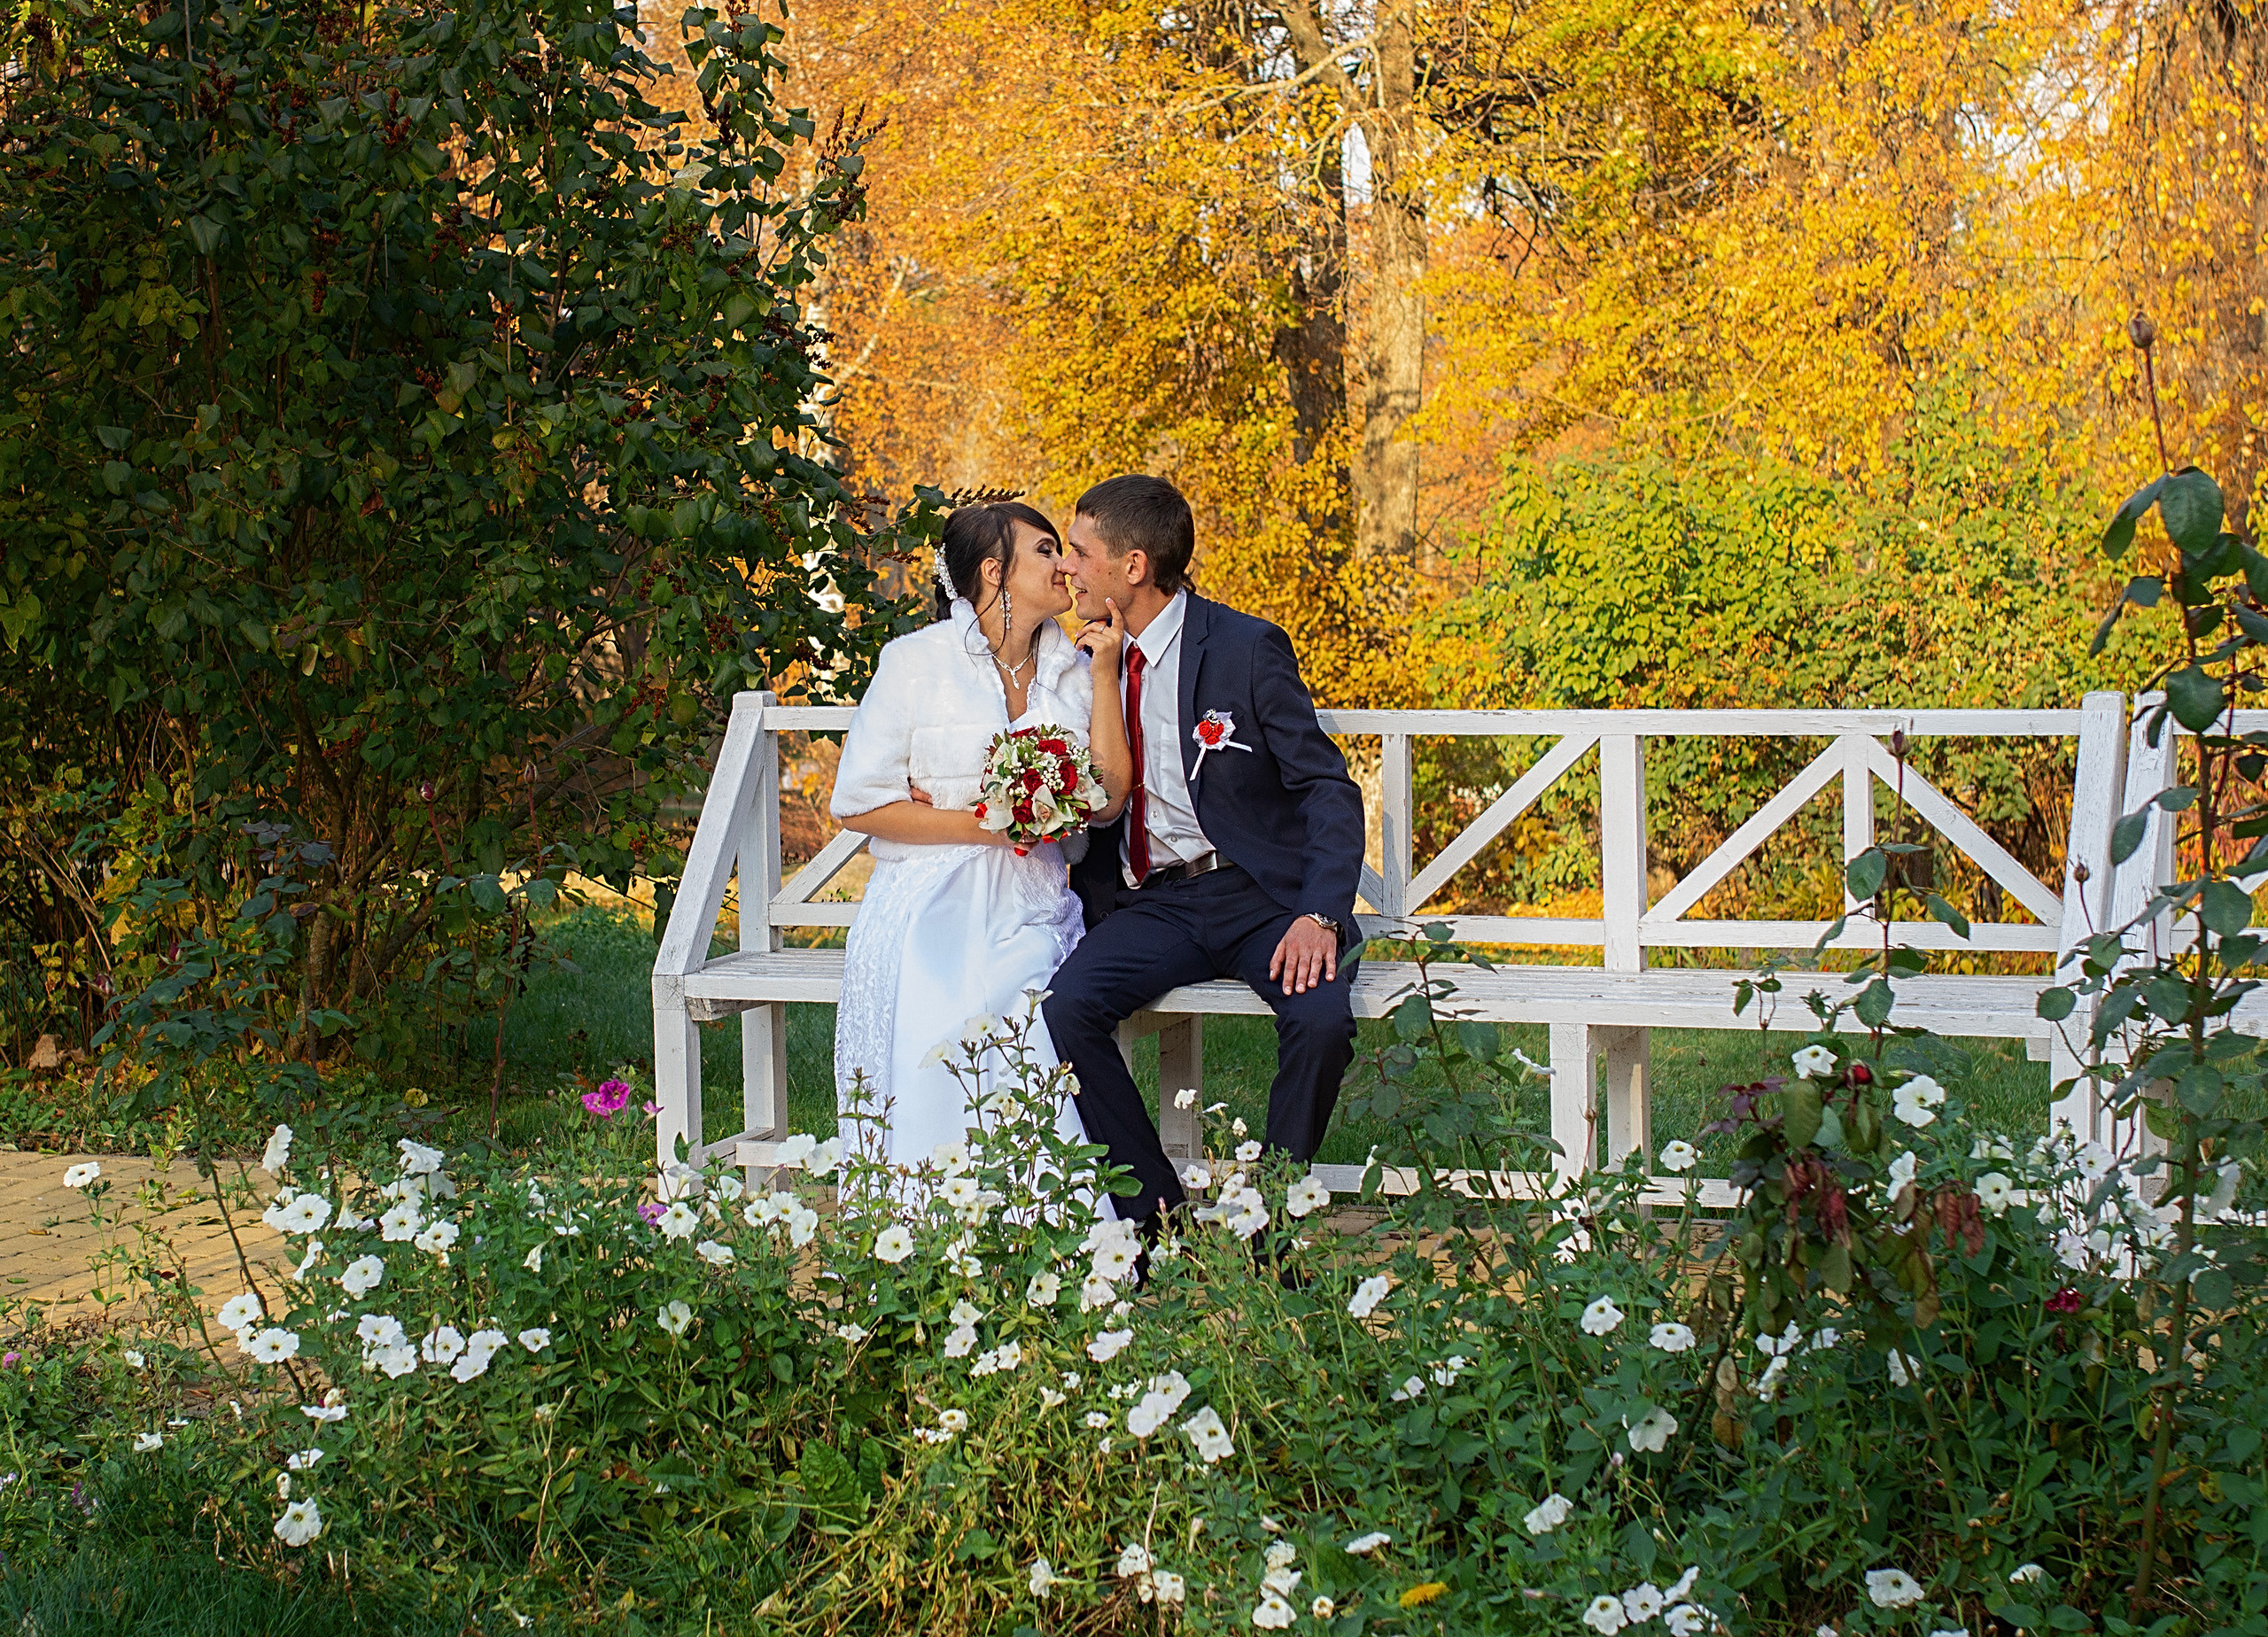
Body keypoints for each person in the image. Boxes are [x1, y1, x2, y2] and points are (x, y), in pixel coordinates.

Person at [1043, 475, 1365, 1235]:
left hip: (1259, 895)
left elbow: (1326, 787)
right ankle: (1159, 1227)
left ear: (1132, 567)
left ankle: (1268, 1226)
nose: (1068, 571)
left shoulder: (1245, 649)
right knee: (1067, 1009)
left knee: (1322, 1026)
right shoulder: (1080, 659)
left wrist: (1319, 912)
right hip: (1152, 902)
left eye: (1081, 553)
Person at [827, 501, 1132, 1167]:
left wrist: (1106, 674)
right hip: (930, 895)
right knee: (951, 1003)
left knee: (1032, 1001)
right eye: (1047, 551)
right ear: (994, 572)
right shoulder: (915, 662)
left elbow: (1107, 802)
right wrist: (992, 825)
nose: (1067, 566)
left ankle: (1039, 1213)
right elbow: (857, 803)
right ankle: (938, 1208)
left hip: (1037, 898)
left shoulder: (1077, 670)